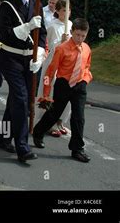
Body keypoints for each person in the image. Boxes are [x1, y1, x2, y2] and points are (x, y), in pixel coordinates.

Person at [0, 0, 47, 163]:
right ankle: (22, 148)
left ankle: (4, 137)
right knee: (22, 99)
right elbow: (4, 35)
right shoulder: (7, 5)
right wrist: (27, 27)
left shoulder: (37, 4)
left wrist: (40, 53)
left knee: (16, 101)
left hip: (30, 61)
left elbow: (42, 34)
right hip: (11, 59)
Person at [33, 18, 93, 163]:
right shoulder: (62, 48)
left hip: (79, 85)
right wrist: (46, 94)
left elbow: (86, 67)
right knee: (54, 113)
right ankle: (38, 132)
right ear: (72, 32)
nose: (80, 38)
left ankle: (77, 149)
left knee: (79, 117)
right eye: (77, 35)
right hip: (63, 84)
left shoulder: (86, 49)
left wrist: (85, 79)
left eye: (83, 36)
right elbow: (50, 71)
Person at [35, 0, 73, 137]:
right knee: (51, 92)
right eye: (63, 10)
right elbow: (51, 46)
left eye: (68, 10)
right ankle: (47, 123)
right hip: (53, 63)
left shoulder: (70, 24)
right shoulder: (52, 25)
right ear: (57, 11)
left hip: (67, 64)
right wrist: (61, 42)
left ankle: (61, 121)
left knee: (66, 94)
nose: (66, 13)